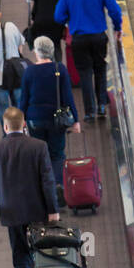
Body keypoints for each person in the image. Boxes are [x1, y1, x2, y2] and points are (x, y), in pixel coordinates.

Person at [0, 105, 61, 268]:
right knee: (40, 242)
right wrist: (53, 209)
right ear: (24, 124)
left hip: (11, 210)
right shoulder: (39, 146)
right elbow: (47, 181)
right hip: (37, 207)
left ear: (5, 127)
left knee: (18, 247)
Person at [54, 0, 123, 121]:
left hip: (79, 39)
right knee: (100, 70)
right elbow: (115, 11)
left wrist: (70, 20)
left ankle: (89, 111)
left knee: (85, 74)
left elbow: (58, 16)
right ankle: (101, 107)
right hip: (99, 37)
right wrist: (117, 28)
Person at [19, 36, 80, 194]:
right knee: (57, 154)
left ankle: (44, 190)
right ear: (52, 52)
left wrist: (21, 121)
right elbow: (68, 97)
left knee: (40, 154)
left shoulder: (29, 71)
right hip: (56, 120)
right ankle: (58, 187)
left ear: (37, 52)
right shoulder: (60, 69)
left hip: (34, 119)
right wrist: (76, 120)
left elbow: (23, 100)